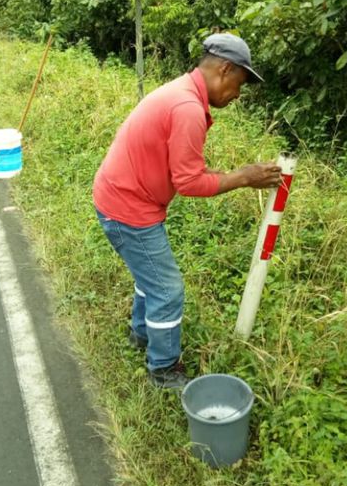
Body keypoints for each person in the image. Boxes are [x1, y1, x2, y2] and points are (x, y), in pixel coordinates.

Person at [92, 33, 283, 389]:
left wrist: (236, 174)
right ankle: (163, 369)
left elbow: (186, 171)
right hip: (128, 208)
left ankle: (140, 334)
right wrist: (244, 177)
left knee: (151, 277)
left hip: (122, 198)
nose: (237, 95)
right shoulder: (188, 108)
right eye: (239, 84)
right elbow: (190, 183)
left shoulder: (181, 93)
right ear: (224, 69)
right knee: (167, 289)